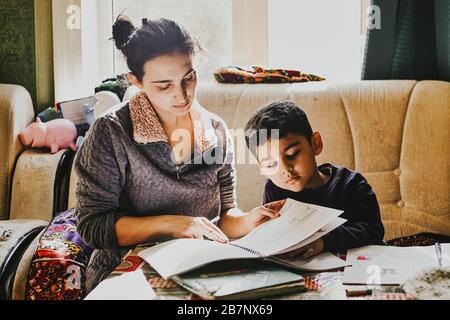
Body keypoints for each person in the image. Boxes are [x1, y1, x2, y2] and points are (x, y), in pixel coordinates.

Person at [75, 15, 283, 293]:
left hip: (198, 269)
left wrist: (251, 220)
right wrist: (176, 225)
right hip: (125, 273)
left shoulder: (216, 130)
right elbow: (92, 225)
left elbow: (223, 216)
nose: (183, 95)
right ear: (136, 81)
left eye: (189, 77)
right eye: (164, 85)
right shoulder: (111, 132)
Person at [244, 100, 385, 259]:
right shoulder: (274, 188)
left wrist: (324, 241)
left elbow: (373, 230)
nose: (285, 169)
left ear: (315, 144)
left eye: (292, 154)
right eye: (270, 163)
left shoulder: (351, 184)